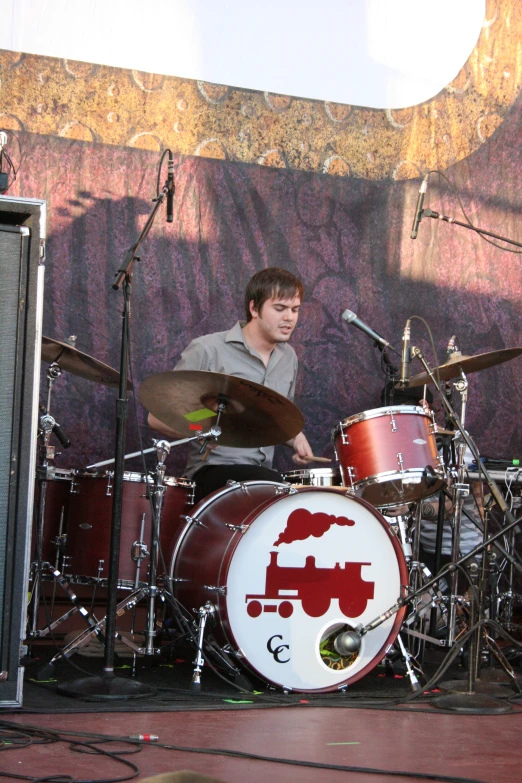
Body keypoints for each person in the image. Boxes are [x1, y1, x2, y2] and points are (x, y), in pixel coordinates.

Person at [148, 267, 313, 502]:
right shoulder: (208, 349)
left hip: (263, 475)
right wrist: (201, 430)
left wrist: (296, 438)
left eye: (295, 309)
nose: (290, 317)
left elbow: (277, 419)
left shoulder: (289, 358)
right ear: (254, 308)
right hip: (211, 473)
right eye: (280, 309)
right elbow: (157, 418)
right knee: (275, 494)